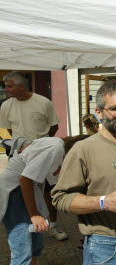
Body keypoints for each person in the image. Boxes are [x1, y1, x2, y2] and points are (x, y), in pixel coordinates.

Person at [52, 80, 116, 265]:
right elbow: (60, 198)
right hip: (104, 249)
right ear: (98, 113)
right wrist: (103, 202)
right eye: (114, 109)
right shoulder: (83, 150)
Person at [0, 135, 88, 265]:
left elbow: (58, 187)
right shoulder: (55, 147)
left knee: (34, 248)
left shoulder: (61, 156)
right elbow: (25, 179)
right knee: (23, 252)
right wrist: (34, 215)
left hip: (29, 192)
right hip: (15, 191)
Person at [0, 71, 66, 240]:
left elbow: (54, 128)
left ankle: (53, 226)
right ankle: (31, 222)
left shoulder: (43, 102)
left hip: (44, 153)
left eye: (9, 86)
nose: (6, 89)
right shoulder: (6, 106)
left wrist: (40, 145)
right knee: (22, 191)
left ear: (21, 86)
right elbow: (9, 129)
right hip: (20, 155)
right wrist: (25, 147)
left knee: (49, 193)